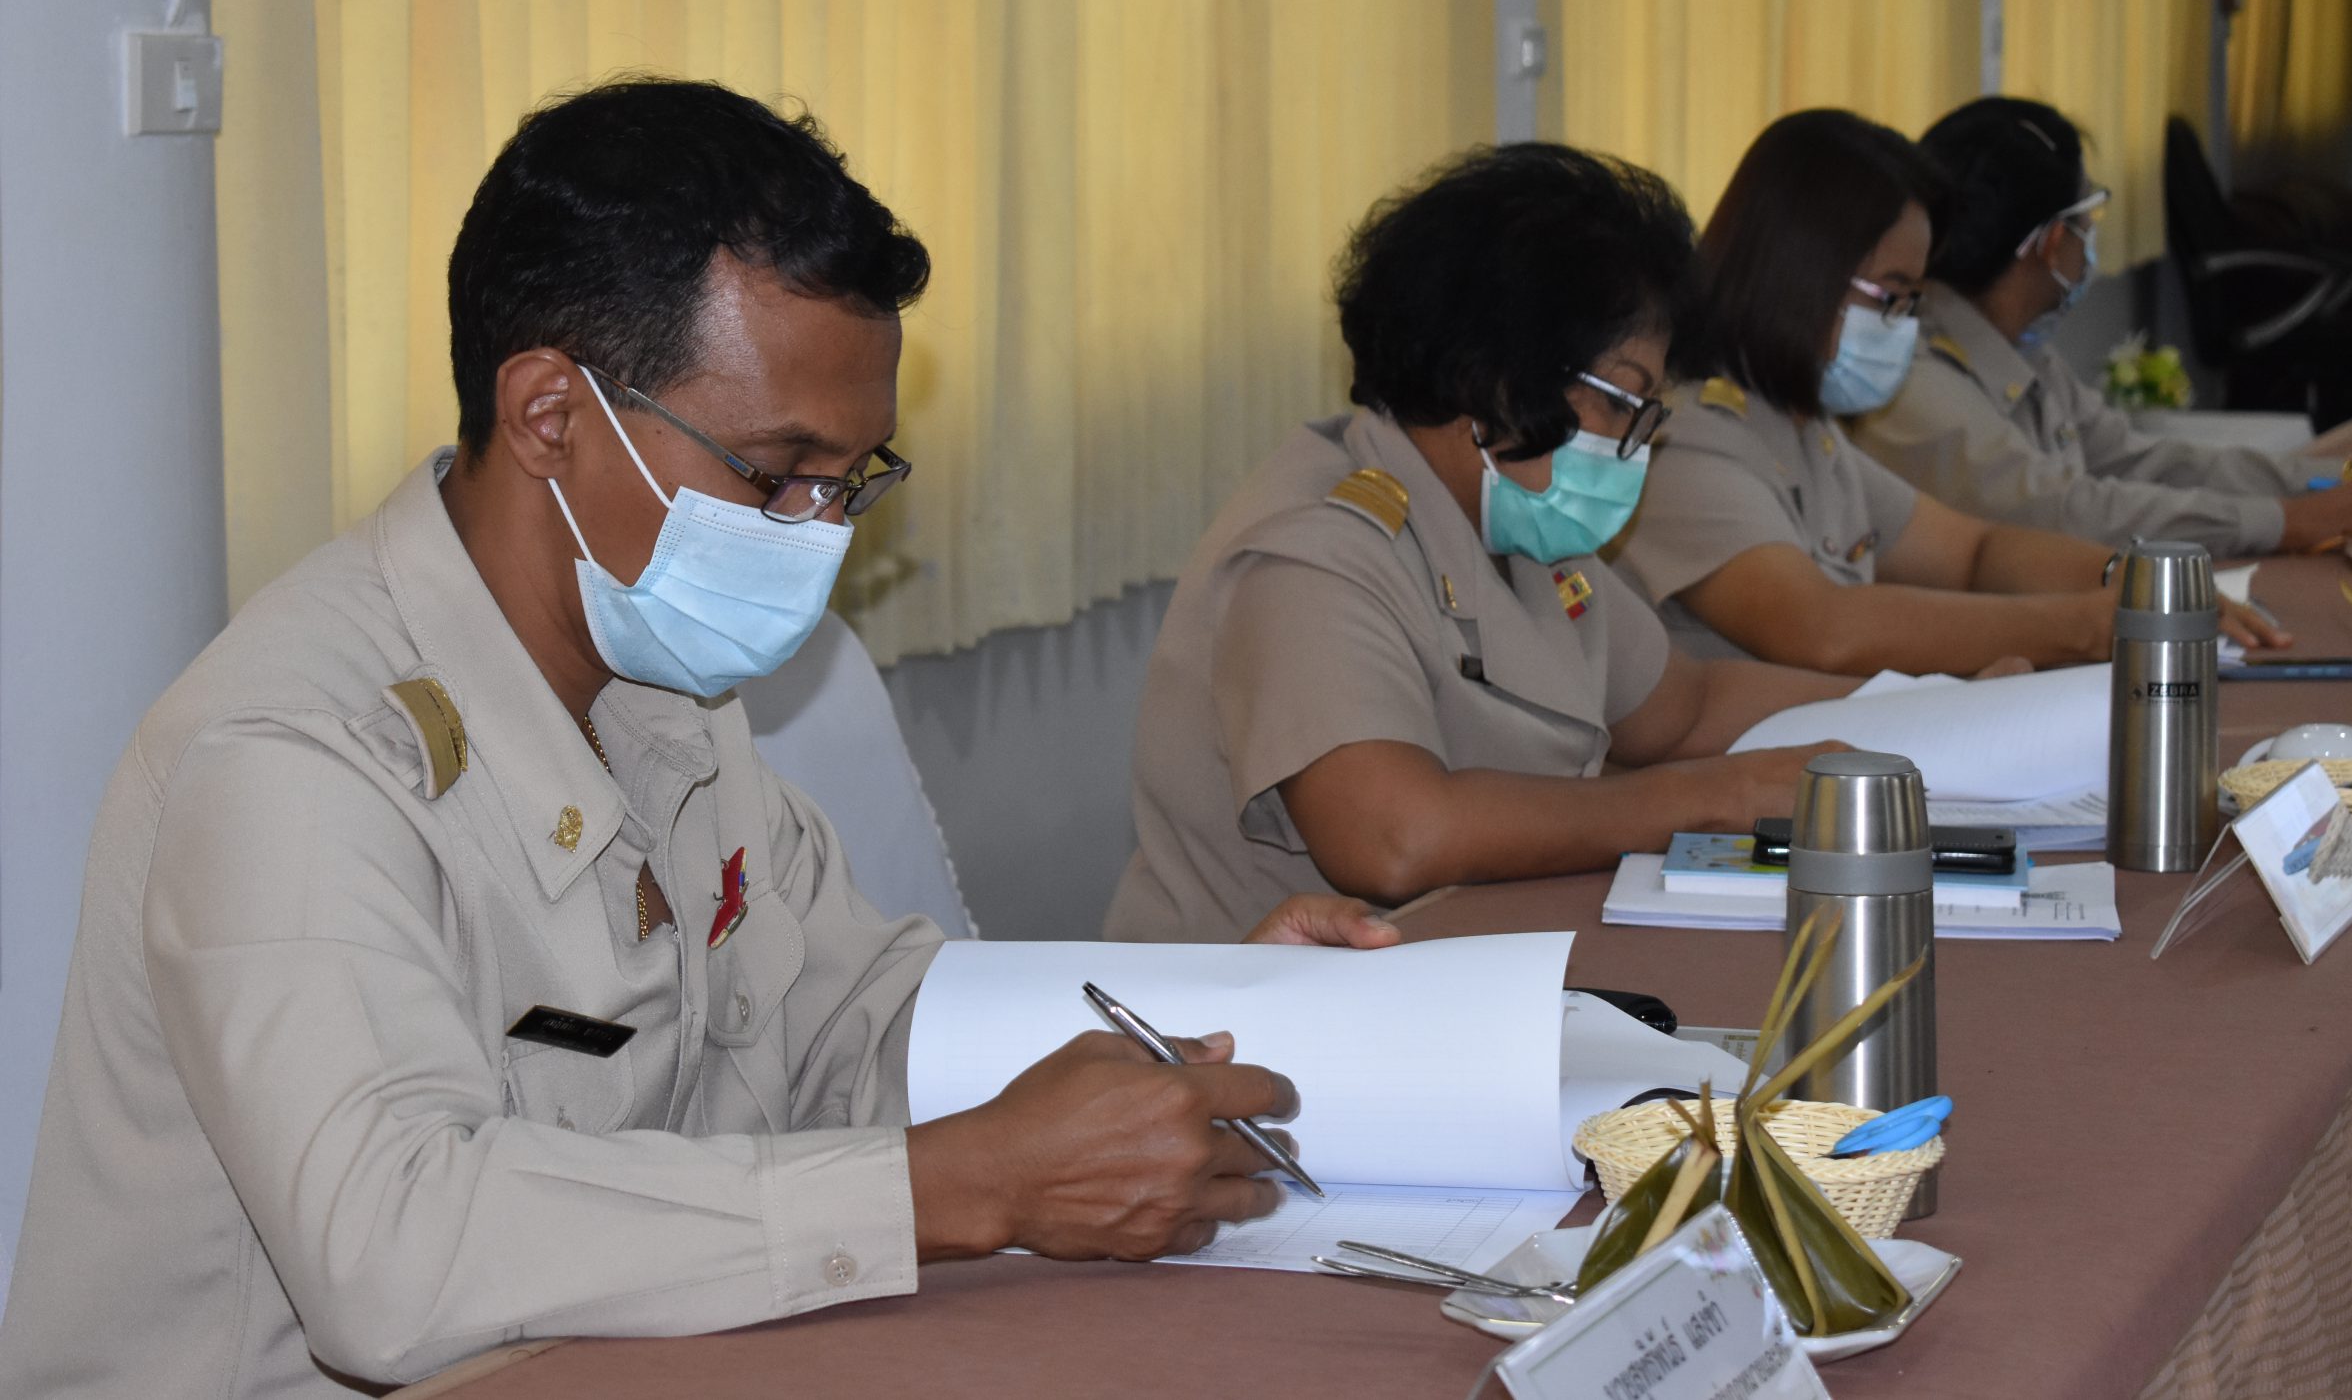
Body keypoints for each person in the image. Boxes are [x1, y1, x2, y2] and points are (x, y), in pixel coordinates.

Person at [0, 79, 1396, 1400]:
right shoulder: (296, 757)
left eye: (851, 481)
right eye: (776, 473)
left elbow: (857, 1012)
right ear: (550, 415)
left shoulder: (656, 672)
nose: (819, 535)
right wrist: (948, 1186)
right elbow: (393, 1253)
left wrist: (1207, 1010)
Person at [1106, 143, 1857, 945]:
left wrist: (1916, 711)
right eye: (1621, 400)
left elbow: (1684, 709)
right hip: (1265, 1004)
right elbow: (1394, 837)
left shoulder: (1518, 517)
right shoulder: (1313, 552)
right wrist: (1708, 797)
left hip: (1460, 968)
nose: (1634, 441)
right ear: (1496, 375)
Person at [1610, 111, 2286, 676]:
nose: (1906, 325)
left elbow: (1974, 552)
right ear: (1804, 273)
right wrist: (2088, 626)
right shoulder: (1684, 436)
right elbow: (1821, 626)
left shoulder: (1799, 425)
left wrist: (2133, 582)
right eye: (1894, 297)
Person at [1849, 96, 2352, 554]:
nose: (2089, 242)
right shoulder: (1910, 374)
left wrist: (2339, 481)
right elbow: (2063, 513)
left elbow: (2141, 463)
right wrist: (2291, 522)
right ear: (2052, 241)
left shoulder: (2023, 351)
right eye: (2088, 220)